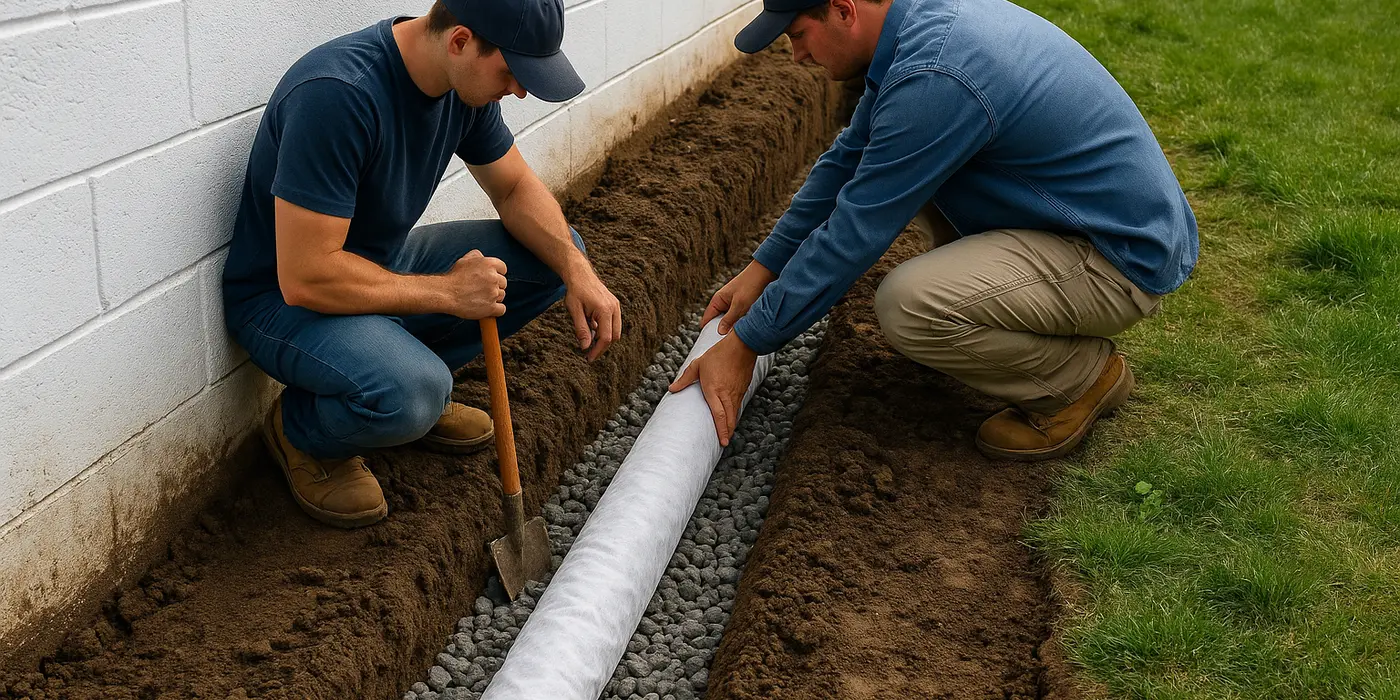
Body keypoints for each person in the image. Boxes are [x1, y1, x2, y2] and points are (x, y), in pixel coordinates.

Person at [671, 0, 1197, 462]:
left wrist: (747, 343)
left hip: (1117, 257)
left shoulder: (935, 74)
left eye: (798, 36)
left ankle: (1078, 380)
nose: (798, 56)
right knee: (900, 174)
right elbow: (845, 164)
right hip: (1092, 219)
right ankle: (1000, 314)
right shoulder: (920, 23)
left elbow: (855, 232)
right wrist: (764, 268)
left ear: (843, 10)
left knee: (909, 304)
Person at [222, 0, 622, 529]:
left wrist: (578, 270)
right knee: (413, 394)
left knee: (554, 251)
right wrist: (450, 294)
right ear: (460, 41)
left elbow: (515, 186)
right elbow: (307, 276)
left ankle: (402, 377)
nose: (520, 90)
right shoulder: (339, 95)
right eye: (512, 72)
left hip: (380, 265)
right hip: (282, 300)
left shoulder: (463, 88)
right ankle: (304, 430)